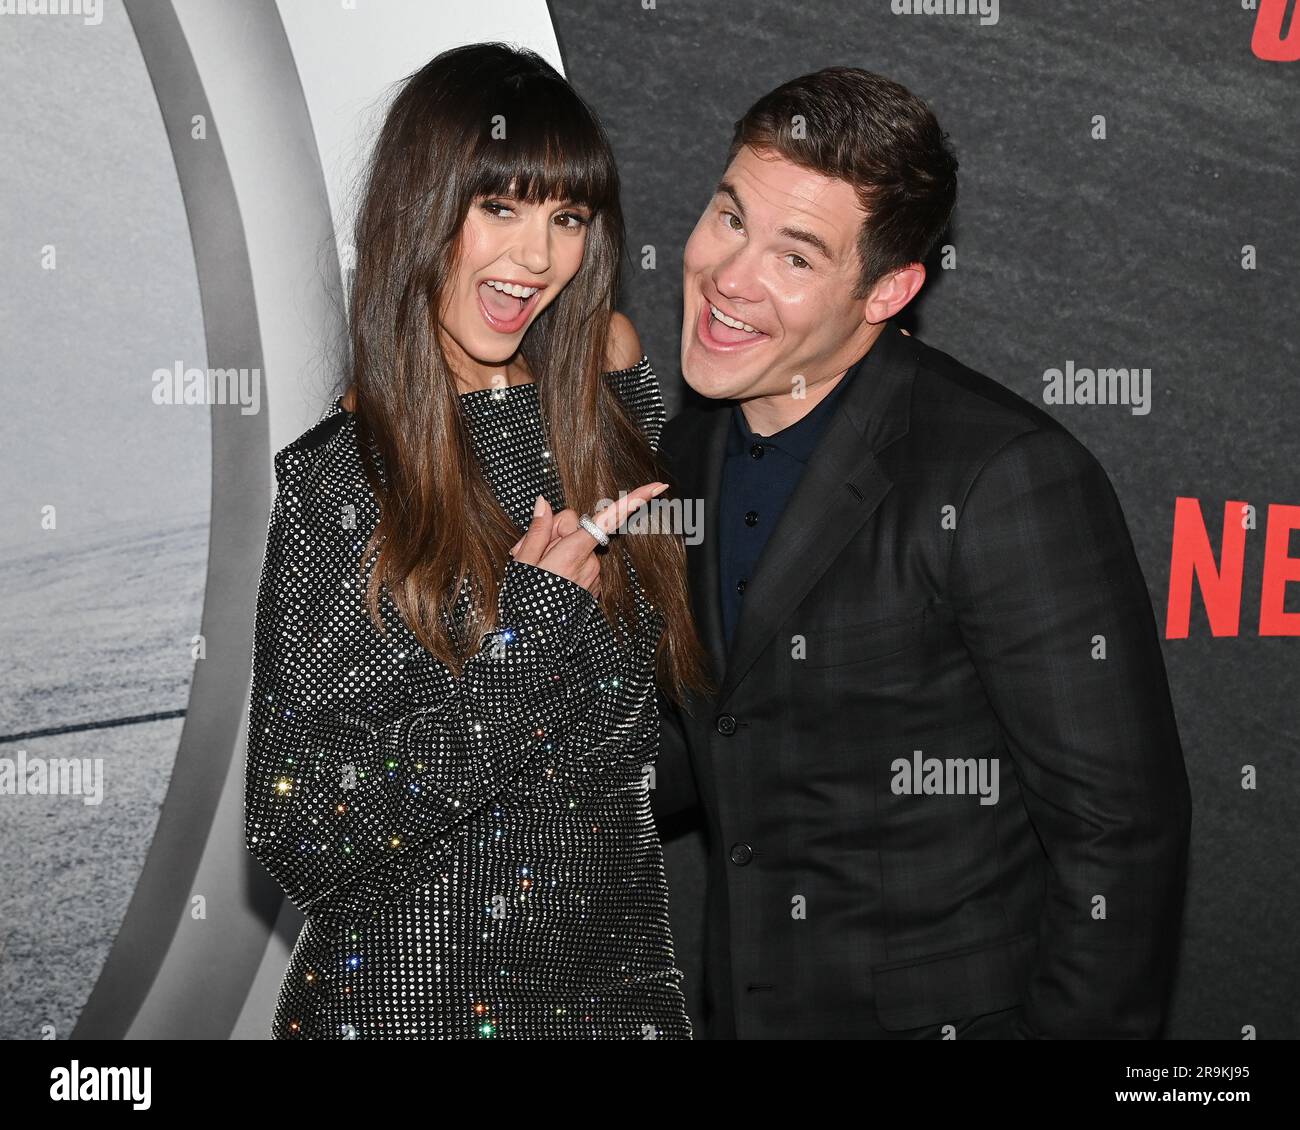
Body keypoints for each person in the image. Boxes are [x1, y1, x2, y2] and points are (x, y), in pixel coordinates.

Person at [652, 66, 1193, 1039]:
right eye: (730, 218)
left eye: (796, 256)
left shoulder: (1000, 475)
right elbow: (705, 747)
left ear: (887, 289)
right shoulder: (687, 452)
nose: (730, 277)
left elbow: (1118, 835)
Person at [243, 42, 712, 1039]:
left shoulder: (608, 423)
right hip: (414, 1012)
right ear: (423, 211)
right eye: (500, 209)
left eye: (566, 218)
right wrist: (525, 639)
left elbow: (671, 731)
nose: (537, 259)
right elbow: (299, 829)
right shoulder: (347, 476)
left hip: (623, 999)